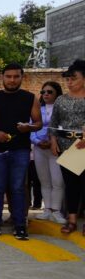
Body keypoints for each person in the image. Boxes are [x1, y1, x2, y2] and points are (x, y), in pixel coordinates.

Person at [0, 63, 42, 240]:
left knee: (18, 188)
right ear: (3, 77)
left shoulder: (30, 98)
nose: (12, 80)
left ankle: (20, 225)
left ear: (22, 77)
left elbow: (39, 123)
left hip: (20, 150)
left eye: (16, 76)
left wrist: (28, 127)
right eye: (9, 76)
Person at [50, 59, 85, 234]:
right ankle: (71, 219)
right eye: (68, 79)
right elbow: (54, 123)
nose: (69, 82)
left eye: (74, 78)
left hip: (84, 147)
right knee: (71, 185)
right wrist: (54, 141)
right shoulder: (61, 100)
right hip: (66, 146)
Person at [31, 81, 66, 224]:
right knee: (44, 181)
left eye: (49, 92)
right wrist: (37, 142)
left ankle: (56, 211)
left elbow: (63, 128)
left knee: (58, 181)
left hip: (56, 148)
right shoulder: (36, 108)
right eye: (43, 92)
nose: (45, 94)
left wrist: (53, 141)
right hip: (39, 148)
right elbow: (31, 127)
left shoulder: (61, 109)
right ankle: (47, 209)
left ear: (57, 93)